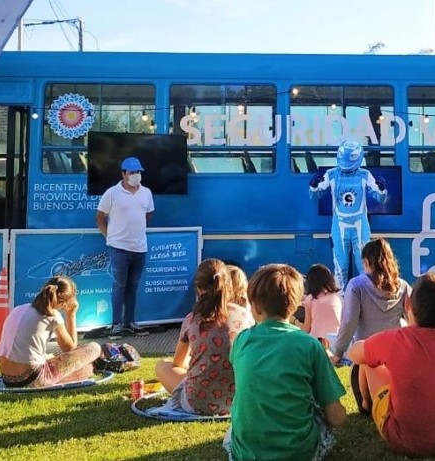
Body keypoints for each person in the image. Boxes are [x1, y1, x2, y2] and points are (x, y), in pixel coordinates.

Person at [224, 264, 346, 461]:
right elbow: (336, 416)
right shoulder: (310, 345)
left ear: (253, 306)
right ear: (295, 304)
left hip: (245, 454)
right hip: (299, 452)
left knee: (231, 432)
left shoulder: (241, 341)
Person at [347, 272, 435, 456]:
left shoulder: (394, 340)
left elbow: (353, 353)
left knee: (370, 360)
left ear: (407, 304)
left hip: (409, 441)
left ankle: (367, 404)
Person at [155, 259, 254, 416]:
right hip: (239, 399)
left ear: (199, 289)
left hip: (196, 402)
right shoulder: (244, 315)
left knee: (162, 366)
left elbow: (178, 363)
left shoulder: (192, 319)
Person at [328, 238, 412, 414]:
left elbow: (348, 322)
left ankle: (367, 403)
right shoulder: (403, 286)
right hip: (395, 359)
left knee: (365, 357)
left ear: (366, 262)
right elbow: (413, 319)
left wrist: (337, 353)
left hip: (365, 360)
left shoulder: (356, 285)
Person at [0, 276, 101, 388]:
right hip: (32, 378)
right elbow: (70, 349)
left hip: (7, 378)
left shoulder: (18, 309)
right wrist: (71, 315)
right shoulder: (52, 315)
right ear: (64, 303)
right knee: (94, 348)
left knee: (82, 366)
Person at [309, 140, 387, 288]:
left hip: (360, 225)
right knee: (340, 267)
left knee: (364, 266)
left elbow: (380, 198)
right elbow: (315, 195)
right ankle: (341, 299)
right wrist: (313, 187)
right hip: (339, 226)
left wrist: (382, 190)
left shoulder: (365, 174)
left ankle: (365, 296)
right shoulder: (331, 174)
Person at [95, 156, 155, 338]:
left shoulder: (146, 192)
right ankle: (116, 325)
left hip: (140, 248)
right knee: (119, 286)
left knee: (133, 286)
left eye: (138, 172)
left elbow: (149, 215)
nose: (136, 176)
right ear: (123, 174)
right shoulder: (111, 193)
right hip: (119, 248)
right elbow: (99, 218)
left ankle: (130, 323)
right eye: (132, 172)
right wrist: (109, 237)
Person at [293, 263, 342, 349]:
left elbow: (306, 329)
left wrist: (294, 321)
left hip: (316, 343)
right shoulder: (337, 297)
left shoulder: (310, 299)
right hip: (335, 342)